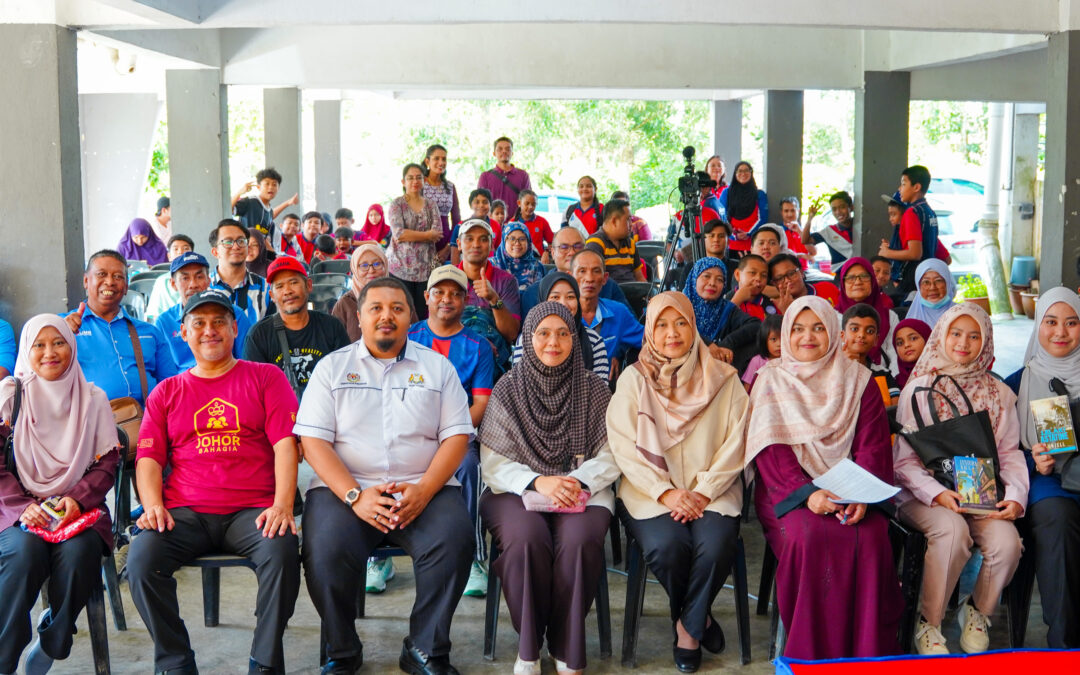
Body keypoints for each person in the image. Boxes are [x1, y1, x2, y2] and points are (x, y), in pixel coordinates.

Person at [296, 277, 474, 675]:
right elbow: (313, 442)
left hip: (422, 484)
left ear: (412, 316)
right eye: (375, 308)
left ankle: (426, 648)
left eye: (397, 308)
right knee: (324, 548)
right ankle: (340, 651)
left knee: (455, 539)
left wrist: (426, 490)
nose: (386, 317)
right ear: (358, 316)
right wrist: (355, 497)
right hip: (346, 488)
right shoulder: (332, 368)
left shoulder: (437, 368)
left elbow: (457, 436)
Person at [127, 289, 301, 675]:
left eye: (219, 322)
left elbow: (286, 445)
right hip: (184, 513)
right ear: (183, 333)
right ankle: (176, 662)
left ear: (234, 328)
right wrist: (153, 504)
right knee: (141, 561)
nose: (210, 330)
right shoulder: (167, 391)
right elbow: (149, 457)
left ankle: (265, 661)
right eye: (199, 323)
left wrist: (283, 505)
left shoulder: (265, 377)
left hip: (253, 511)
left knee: (283, 553)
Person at [746, 295, 902, 660]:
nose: (808, 337)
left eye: (818, 327)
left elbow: (872, 445)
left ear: (833, 331)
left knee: (874, 536)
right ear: (785, 334)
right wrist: (808, 495)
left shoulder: (858, 380)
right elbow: (772, 450)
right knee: (810, 535)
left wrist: (862, 494)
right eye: (798, 329)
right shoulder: (770, 380)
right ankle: (810, 654)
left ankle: (867, 651)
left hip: (850, 489)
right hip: (788, 492)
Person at [608, 292, 749, 673]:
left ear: (694, 326)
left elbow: (738, 442)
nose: (672, 333)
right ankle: (697, 619)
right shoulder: (634, 381)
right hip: (649, 492)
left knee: (716, 543)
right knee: (669, 547)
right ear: (650, 331)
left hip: (713, 491)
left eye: (681, 323)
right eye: (662, 324)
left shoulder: (725, 380)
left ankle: (686, 627)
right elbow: (622, 446)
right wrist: (665, 492)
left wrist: (703, 491)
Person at [480, 302, 620, 675]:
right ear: (529, 338)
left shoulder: (594, 389)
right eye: (543, 333)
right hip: (515, 490)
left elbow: (613, 453)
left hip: (583, 489)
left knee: (578, 541)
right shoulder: (508, 388)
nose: (553, 342)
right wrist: (538, 481)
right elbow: (492, 460)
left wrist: (575, 481)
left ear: (575, 339)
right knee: (526, 539)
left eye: (562, 333)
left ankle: (566, 646)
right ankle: (528, 648)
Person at [893, 303, 1027, 655]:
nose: (963, 343)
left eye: (974, 336)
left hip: (979, 493)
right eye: (955, 333)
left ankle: (978, 610)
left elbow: (1010, 452)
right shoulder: (919, 388)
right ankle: (929, 622)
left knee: (1007, 544)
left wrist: (1014, 496)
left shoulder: (999, 393)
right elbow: (904, 461)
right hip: (923, 494)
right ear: (942, 335)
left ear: (986, 341)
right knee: (952, 532)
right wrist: (938, 494)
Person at [0, 315, 120, 675]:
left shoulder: (93, 398)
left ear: (73, 346)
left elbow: (107, 461)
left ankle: (54, 639)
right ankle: (5, 658)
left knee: (81, 552)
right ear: (26, 350)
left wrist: (78, 499)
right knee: (23, 554)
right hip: (17, 508)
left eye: (59, 343)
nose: (49, 352)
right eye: (39, 344)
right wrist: (23, 508)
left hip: (76, 510)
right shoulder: (10, 396)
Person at [407, 266, 495, 599]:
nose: (447, 299)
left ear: (465, 299)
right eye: (440, 292)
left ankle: (474, 556)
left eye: (455, 293)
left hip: (458, 436)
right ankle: (378, 556)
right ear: (426, 297)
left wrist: (450, 436)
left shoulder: (478, 345)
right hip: (409, 434)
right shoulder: (409, 338)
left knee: (470, 466)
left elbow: (480, 403)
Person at [1006, 287, 1080, 648]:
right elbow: (1002, 454)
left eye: (1072, 323)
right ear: (1038, 325)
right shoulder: (1018, 384)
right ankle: (1065, 645)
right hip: (1047, 482)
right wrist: (1033, 461)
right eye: (1051, 322)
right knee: (1057, 519)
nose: (1061, 333)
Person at [63, 250, 178, 405]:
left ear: (126, 286)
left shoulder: (149, 332)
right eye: (101, 274)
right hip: (87, 423)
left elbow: (170, 387)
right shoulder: (64, 327)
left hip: (143, 422)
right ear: (86, 281)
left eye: (118, 276)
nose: (109, 281)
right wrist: (60, 337)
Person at [243, 257, 350, 399]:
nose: (287, 291)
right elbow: (254, 392)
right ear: (272, 295)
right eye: (279, 286)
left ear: (309, 285)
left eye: (293, 282)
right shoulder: (258, 336)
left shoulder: (332, 327)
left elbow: (347, 379)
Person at [155, 251, 252, 370]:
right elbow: (165, 372)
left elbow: (246, 362)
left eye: (199, 277)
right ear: (173, 284)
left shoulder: (234, 314)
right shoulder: (164, 322)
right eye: (185, 278)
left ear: (208, 281)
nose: (193, 284)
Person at [511, 271, 611, 379]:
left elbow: (600, 388)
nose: (563, 303)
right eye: (555, 297)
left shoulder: (594, 341)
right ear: (543, 300)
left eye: (570, 297)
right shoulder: (527, 338)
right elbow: (519, 383)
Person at [520, 227, 629, 316]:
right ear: (553, 253)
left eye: (578, 246)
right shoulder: (534, 292)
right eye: (564, 247)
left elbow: (629, 325)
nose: (572, 252)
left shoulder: (606, 285)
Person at [572, 250, 644, 378]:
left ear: (605, 279)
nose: (589, 278)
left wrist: (619, 353)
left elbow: (648, 340)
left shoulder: (618, 312)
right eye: (582, 271)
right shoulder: (560, 314)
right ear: (570, 277)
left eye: (596, 271)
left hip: (605, 389)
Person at [683, 258, 760, 372]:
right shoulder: (679, 305)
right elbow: (681, 329)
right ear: (694, 278)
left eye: (719, 279)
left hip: (715, 372)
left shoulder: (726, 308)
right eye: (706, 276)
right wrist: (707, 344)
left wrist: (726, 344)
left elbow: (756, 325)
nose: (712, 283)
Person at [387, 163, 443, 315]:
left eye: (418, 177)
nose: (415, 181)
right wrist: (426, 235)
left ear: (424, 180)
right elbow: (399, 233)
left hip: (426, 269)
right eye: (410, 178)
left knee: (424, 312)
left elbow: (437, 233)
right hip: (399, 268)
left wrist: (411, 235)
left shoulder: (431, 205)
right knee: (401, 311)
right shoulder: (396, 204)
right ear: (403, 182)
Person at [457, 219, 521, 347]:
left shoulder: (507, 281)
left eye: (483, 239)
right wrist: (476, 343)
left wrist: (494, 299)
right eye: (469, 239)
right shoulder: (447, 279)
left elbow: (511, 334)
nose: (476, 245)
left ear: (492, 245)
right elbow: (435, 325)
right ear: (459, 244)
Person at [879, 166, 941, 293]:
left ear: (916, 187)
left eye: (903, 184)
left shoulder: (911, 212)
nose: (899, 188)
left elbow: (915, 253)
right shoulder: (930, 212)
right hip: (928, 276)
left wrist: (887, 253)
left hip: (913, 280)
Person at [837, 256, 898, 369]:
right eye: (851, 278)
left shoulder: (889, 316)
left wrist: (890, 382)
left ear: (873, 281)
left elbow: (895, 356)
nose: (858, 282)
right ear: (843, 283)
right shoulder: (832, 317)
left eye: (864, 276)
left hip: (882, 377)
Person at [210, 219, 271, 325]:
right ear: (215, 252)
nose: (236, 246)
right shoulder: (203, 288)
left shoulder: (265, 288)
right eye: (228, 242)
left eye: (241, 241)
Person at [840, 304, 900, 405]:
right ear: (842, 335)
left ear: (876, 340)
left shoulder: (883, 374)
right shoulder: (831, 372)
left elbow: (894, 410)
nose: (861, 335)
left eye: (869, 331)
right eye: (854, 329)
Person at [332, 242, 390, 342]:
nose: (371, 270)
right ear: (354, 269)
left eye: (377, 264)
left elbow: (413, 335)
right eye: (364, 265)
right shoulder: (345, 303)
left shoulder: (399, 298)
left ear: (385, 265)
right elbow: (335, 343)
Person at [232, 168, 299, 251]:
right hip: (245, 251)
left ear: (278, 188)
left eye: (274, 184)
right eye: (267, 184)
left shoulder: (269, 210)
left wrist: (288, 203)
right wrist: (239, 193)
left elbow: (271, 214)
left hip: (260, 253)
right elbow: (230, 209)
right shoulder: (250, 201)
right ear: (258, 187)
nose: (270, 187)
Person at [585, 199, 646, 284]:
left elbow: (639, 277)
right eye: (628, 219)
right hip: (609, 295)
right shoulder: (595, 243)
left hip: (634, 294)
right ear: (614, 221)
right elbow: (593, 282)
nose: (631, 224)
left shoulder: (630, 243)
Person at [718, 162, 768, 253]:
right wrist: (732, 234)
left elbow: (763, 218)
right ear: (735, 174)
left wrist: (749, 234)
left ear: (751, 173)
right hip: (730, 245)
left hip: (753, 245)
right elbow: (721, 216)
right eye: (740, 171)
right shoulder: (726, 193)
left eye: (746, 170)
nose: (743, 173)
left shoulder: (760, 194)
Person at [421, 144, 461, 260]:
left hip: (446, 241)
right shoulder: (419, 183)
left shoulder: (450, 186)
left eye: (444, 159)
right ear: (427, 161)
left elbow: (457, 221)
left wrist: (448, 247)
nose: (441, 162)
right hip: (423, 241)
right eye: (436, 158)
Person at [145, 233, 196, 321]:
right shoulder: (161, 281)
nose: (181, 252)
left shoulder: (200, 279)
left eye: (186, 248)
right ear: (169, 256)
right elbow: (155, 314)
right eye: (176, 249)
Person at [479, 136, 531, 221]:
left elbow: (528, 202)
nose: (504, 151)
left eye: (507, 149)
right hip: (492, 226)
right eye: (500, 149)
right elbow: (481, 205)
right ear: (494, 153)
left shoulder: (523, 175)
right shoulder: (485, 176)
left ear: (512, 153)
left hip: (516, 226)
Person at [767, 253, 840, 313]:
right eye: (779, 278)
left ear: (801, 272)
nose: (787, 280)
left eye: (791, 273)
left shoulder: (827, 288)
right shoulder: (775, 308)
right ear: (774, 283)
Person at [679, 219, 737, 288]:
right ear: (703, 241)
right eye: (711, 236)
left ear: (728, 242)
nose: (716, 240)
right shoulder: (691, 268)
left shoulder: (737, 267)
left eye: (721, 236)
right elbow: (681, 296)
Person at [450, 189, 501, 264]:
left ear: (490, 205)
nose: (481, 205)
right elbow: (455, 253)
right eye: (477, 202)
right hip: (467, 268)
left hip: (489, 267)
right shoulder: (460, 226)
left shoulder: (496, 225)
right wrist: (456, 273)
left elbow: (498, 250)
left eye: (485, 202)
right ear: (471, 205)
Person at [803, 191, 854, 266]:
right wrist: (810, 218)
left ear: (851, 207)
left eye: (842, 207)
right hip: (840, 274)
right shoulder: (829, 231)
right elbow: (805, 240)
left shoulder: (861, 227)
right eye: (834, 209)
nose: (838, 212)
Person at [904, 258, 957, 328]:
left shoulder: (961, 314)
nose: (932, 287)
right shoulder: (911, 321)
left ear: (948, 283)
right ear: (918, 286)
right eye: (926, 282)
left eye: (938, 281)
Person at [494, 222, 546, 291]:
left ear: (528, 242)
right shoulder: (492, 265)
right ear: (504, 241)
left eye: (522, 239)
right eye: (512, 239)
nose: (517, 243)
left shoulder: (537, 267)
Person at [727, 254, 776, 320]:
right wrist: (737, 300)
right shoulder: (725, 299)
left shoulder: (771, 304)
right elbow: (719, 326)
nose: (758, 278)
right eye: (752, 273)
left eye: (764, 275)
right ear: (737, 275)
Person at [742, 314, 782, 391]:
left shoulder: (790, 361)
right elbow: (747, 389)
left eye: (782, 338)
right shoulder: (756, 361)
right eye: (773, 339)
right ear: (764, 340)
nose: (779, 344)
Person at [511, 189, 554, 257]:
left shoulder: (542, 221)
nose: (530, 207)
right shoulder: (512, 223)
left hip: (538, 260)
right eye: (527, 203)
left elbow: (552, 243)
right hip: (517, 261)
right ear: (519, 203)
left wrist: (546, 252)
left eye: (533, 204)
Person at [893, 318, 932, 390]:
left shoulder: (945, 375)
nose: (906, 345)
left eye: (913, 338)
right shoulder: (894, 384)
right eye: (900, 343)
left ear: (928, 339)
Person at [778, 197, 815, 267]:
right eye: (786, 211)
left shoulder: (805, 230)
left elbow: (813, 252)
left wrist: (800, 231)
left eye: (793, 211)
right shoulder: (777, 231)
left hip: (805, 271)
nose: (790, 214)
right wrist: (801, 256)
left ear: (798, 211)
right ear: (781, 212)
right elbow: (777, 255)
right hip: (785, 270)